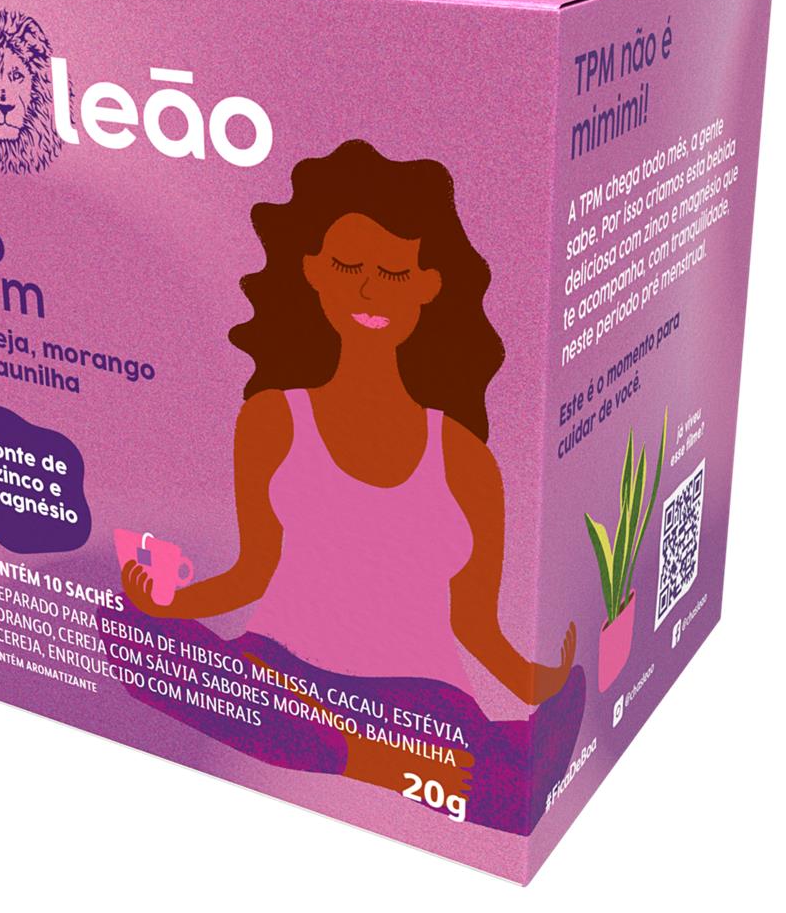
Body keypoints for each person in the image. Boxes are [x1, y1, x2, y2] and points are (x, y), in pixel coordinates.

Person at [113, 139, 584, 834]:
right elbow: (252, 572)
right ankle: (391, 763)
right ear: (313, 271)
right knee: (126, 633)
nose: (369, 290)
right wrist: (168, 602)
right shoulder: (273, 418)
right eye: (348, 267)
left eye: (393, 272)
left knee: (503, 767)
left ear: (427, 285)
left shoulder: (464, 456)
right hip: (284, 678)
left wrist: (548, 684)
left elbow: (474, 624)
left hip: (418, 703)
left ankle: (380, 752)